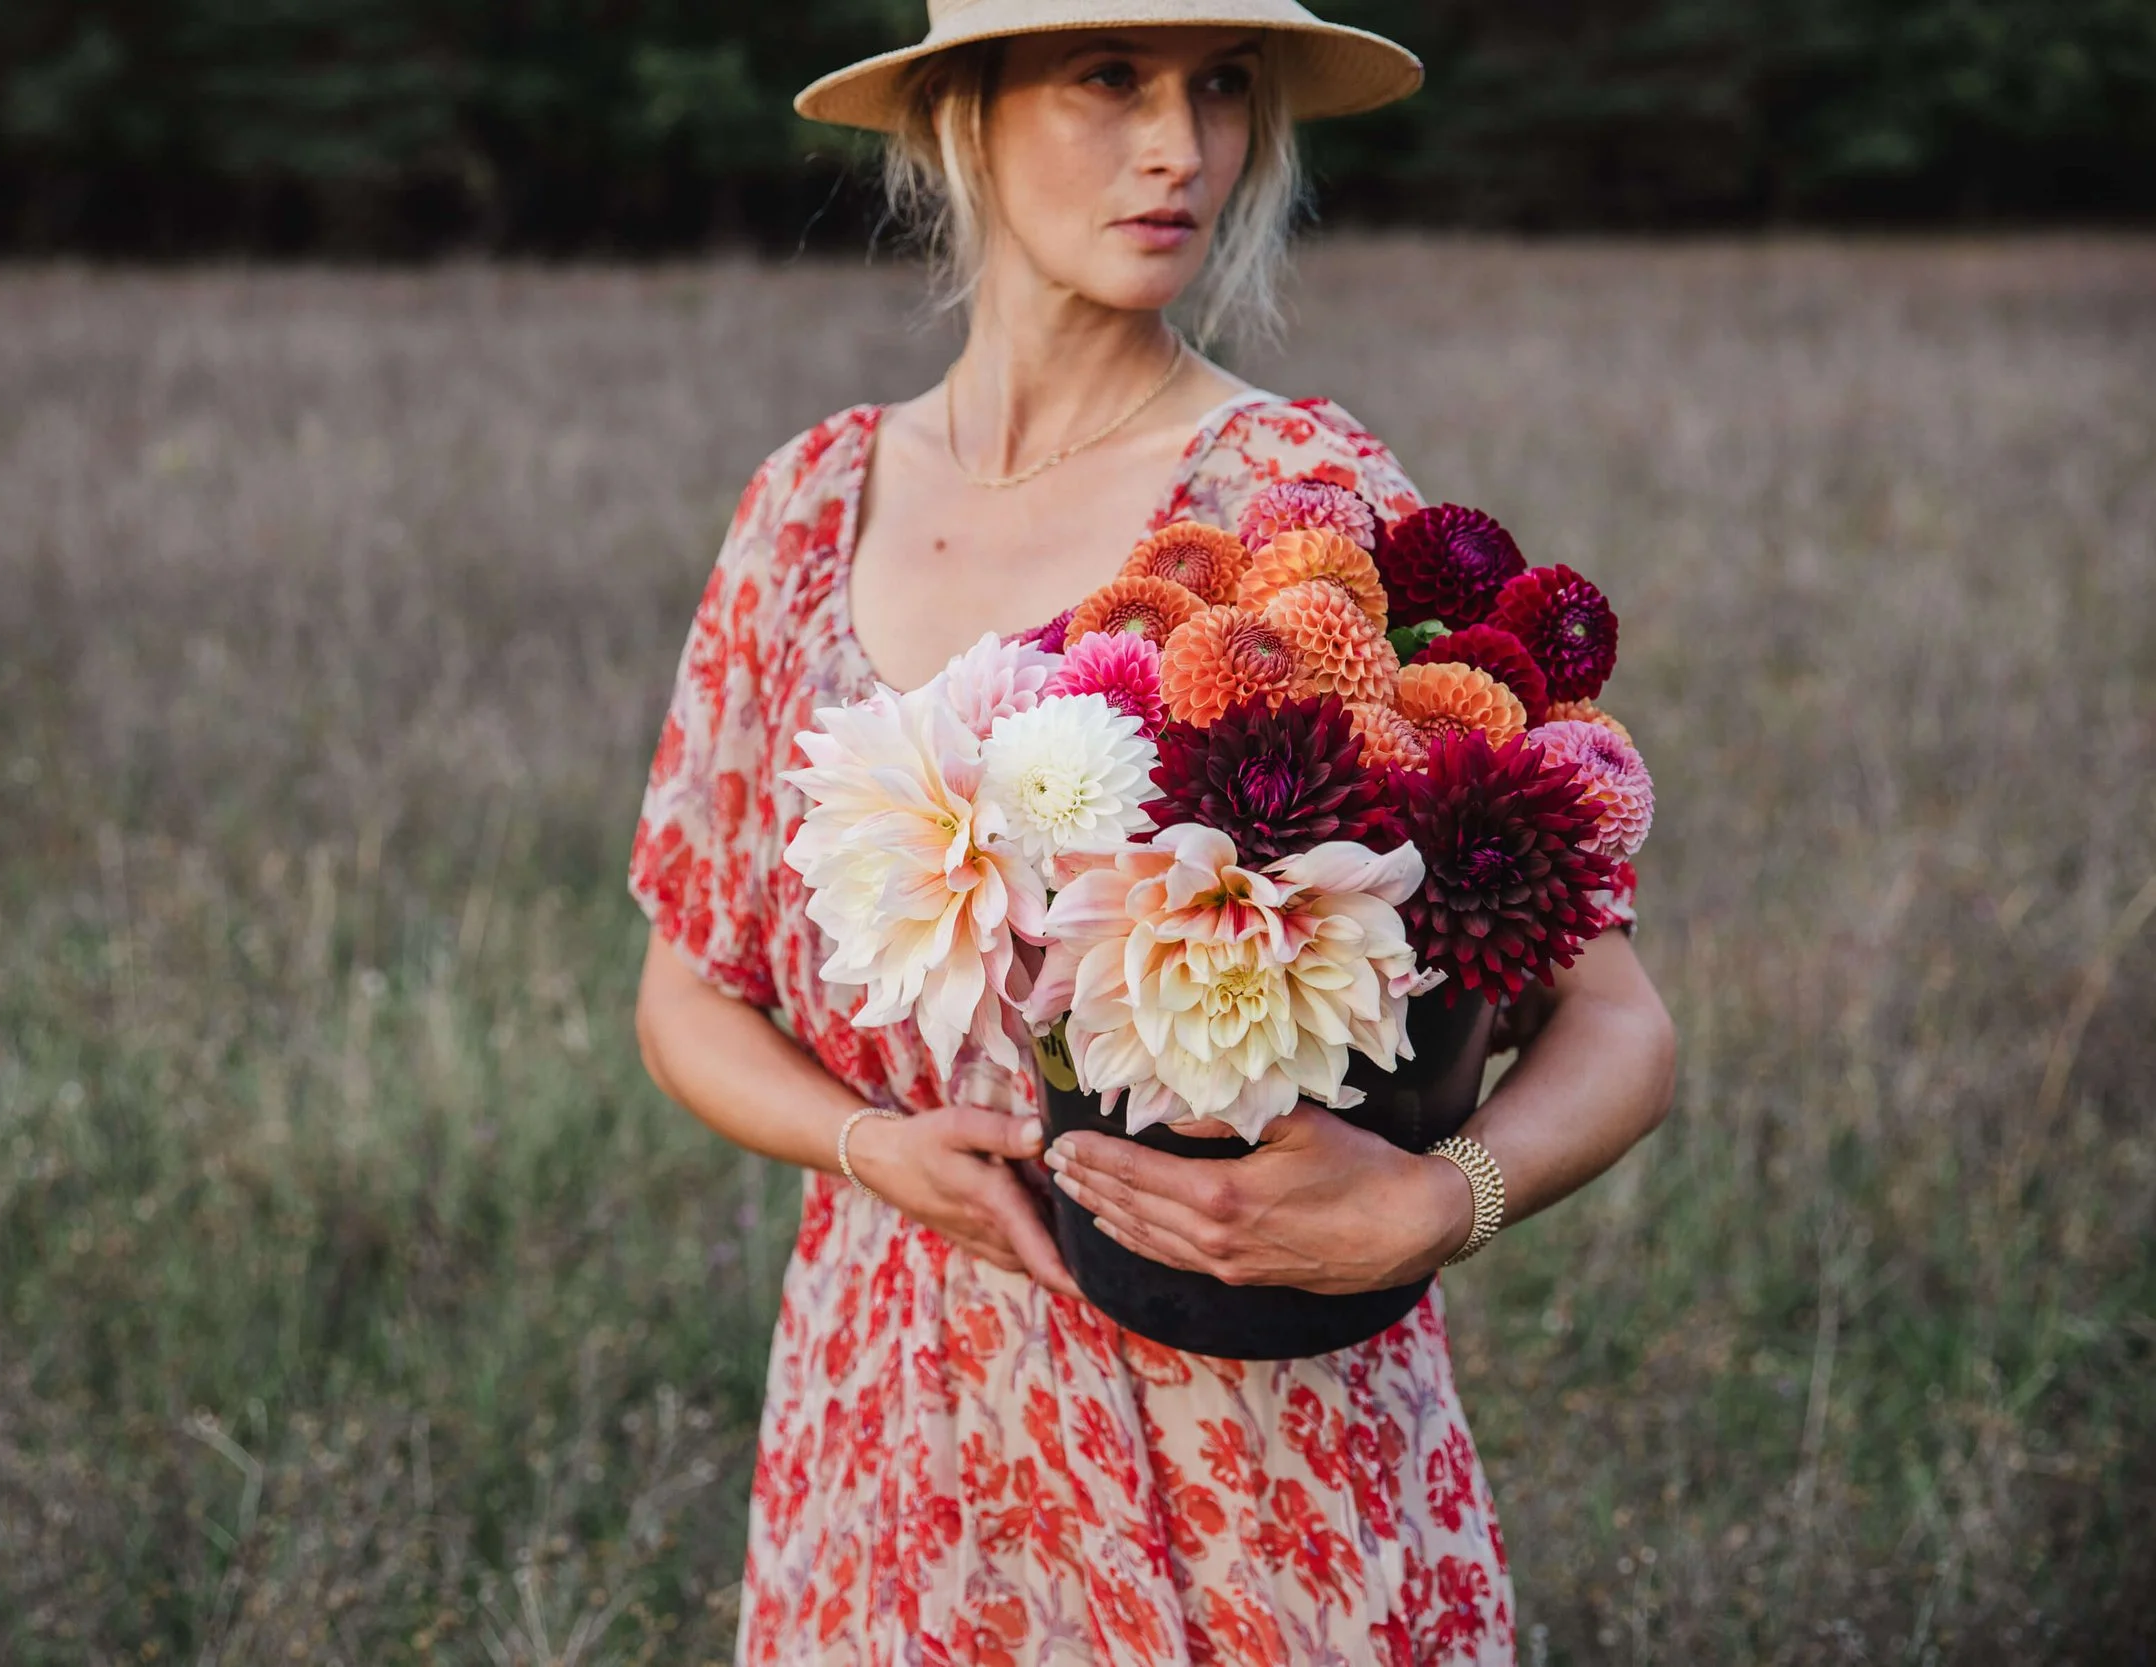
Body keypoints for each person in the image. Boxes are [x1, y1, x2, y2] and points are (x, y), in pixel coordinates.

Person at [631, 3, 1678, 1659]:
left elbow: (1616, 1018)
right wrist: (869, 1147)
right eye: (1109, 79)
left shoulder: (1302, 503)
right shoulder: (804, 510)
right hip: (891, 1432)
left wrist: (1436, 1202)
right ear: (959, 115)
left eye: (1222, 90)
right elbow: (688, 989)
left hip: (1254, 1455)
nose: (1180, 145)